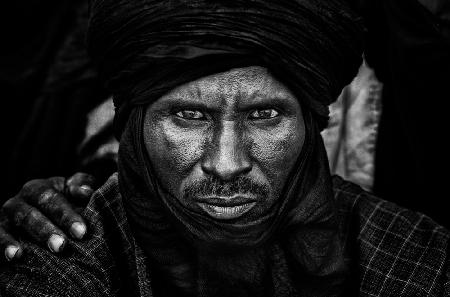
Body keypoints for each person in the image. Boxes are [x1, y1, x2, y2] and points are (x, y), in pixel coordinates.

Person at [0, 0, 449, 296]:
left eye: (264, 115)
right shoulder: (66, 255)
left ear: (312, 123)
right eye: (190, 116)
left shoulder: (417, 258)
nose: (227, 164)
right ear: (133, 127)